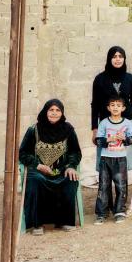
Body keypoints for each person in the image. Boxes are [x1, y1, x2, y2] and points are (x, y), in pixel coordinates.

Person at [19, 99, 82, 235]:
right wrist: (38, 165)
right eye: (51, 110)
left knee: (70, 179)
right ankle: (38, 224)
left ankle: (64, 221)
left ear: (62, 113)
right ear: (45, 111)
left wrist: (71, 166)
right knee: (36, 181)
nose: (54, 113)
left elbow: (75, 152)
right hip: (38, 170)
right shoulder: (33, 130)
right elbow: (22, 153)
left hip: (61, 169)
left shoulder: (68, 130)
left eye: (57, 110)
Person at [95, 96, 132, 224]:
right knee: (103, 186)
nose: (115, 107)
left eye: (118, 105)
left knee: (121, 186)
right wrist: (109, 139)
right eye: (112, 105)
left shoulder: (127, 123)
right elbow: (98, 141)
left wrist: (124, 138)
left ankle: (119, 212)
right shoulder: (104, 123)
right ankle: (102, 213)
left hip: (120, 159)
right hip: (105, 158)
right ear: (108, 108)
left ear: (123, 108)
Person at [91, 46, 132, 146]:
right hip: (106, 123)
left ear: (124, 59)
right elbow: (95, 105)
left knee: (127, 156)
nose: (118, 59)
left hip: (127, 122)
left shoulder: (131, 79)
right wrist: (95, 129)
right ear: (109, 59)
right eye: (114, 56)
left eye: (120, 56)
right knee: (105, 154)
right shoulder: (100, 79)